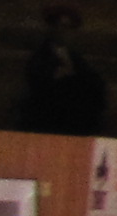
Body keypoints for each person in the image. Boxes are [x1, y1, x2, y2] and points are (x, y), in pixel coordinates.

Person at [15, 8, 106, 137]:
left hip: (73, 121)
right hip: (48, 119)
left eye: (70, 28)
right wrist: (56, 76)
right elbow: (36, 82)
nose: (65, 32)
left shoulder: (76, 58)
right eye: (62, 26)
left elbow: (92, 81)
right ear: (53, 29)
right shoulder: (41, 56)